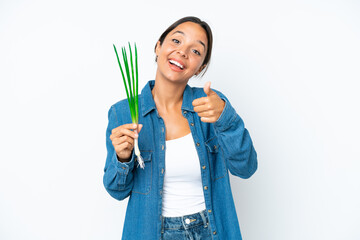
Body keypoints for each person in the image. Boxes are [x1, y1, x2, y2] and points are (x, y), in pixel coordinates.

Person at [103, 16, 258, 240]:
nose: (183, 52)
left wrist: (226, 118)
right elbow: (116, 191)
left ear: (200, 68)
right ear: (158, 47)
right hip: (154, 233)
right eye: (176, 41)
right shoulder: (123, 112)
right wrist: (123, 158)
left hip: (211, 230)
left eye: (196, 51)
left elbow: (246, 168)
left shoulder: (210, 105)